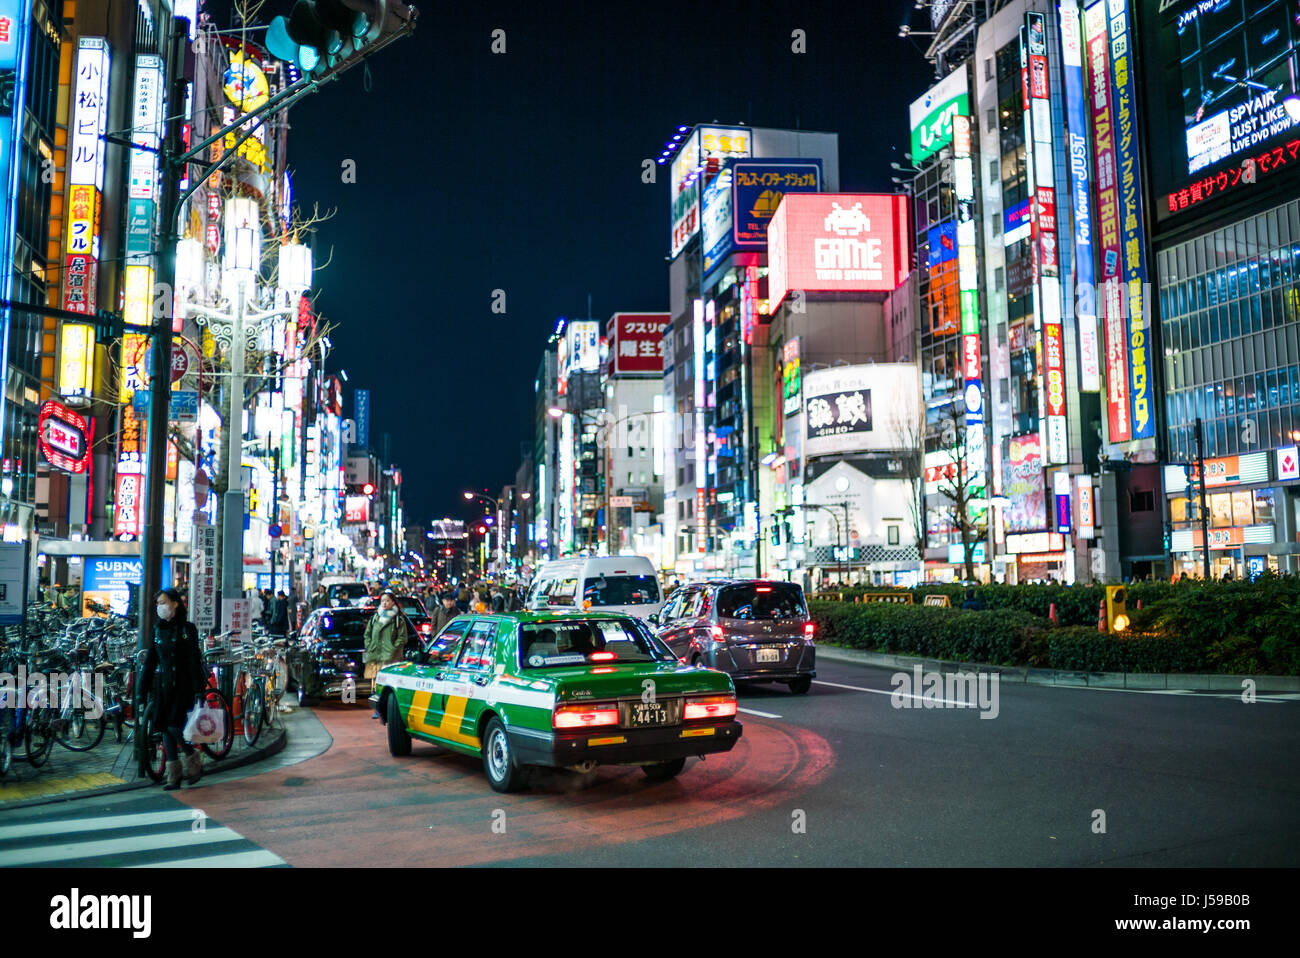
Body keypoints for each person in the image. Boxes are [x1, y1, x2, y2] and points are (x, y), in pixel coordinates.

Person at [139, 589, 208, 790]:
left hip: (183, 686)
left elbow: (194, 659)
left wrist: (198, 689)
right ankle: (174, 776)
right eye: (158, 603)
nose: (160, 607)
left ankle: (192, 758)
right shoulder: (158, 630)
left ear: (175, 604)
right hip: (163, 686)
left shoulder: (188, 629)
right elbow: (151, 661)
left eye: (163, 602)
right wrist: (141, 689)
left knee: (173, 726)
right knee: (164, 728)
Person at [364, 592, 411, 718]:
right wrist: (370, 646)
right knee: (376, 683)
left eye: (387, 601)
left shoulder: (398, 618)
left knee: (390, 684)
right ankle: (378, 708)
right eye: (382, 601)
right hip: (376, 655)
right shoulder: (375, 617)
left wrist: (392, 649)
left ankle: (390, 709)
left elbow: (402, 638)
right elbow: (367, 634)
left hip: (392, 657)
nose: (384, 603)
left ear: (393, 602)